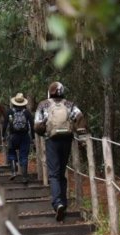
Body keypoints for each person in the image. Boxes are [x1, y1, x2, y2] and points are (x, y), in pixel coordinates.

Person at [34, 81, 87, 221]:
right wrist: (81, 137)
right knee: (62, 172)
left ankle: (58, 203)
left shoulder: (43, 105)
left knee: (53, 174)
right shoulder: (69, 104)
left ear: (49, 92)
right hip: (67, 140)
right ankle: (63, 202)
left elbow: (37, 126)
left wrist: (44, 130)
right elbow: (80, 117)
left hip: (52, 141)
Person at [2, 93, 35, 184]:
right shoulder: (27, 112)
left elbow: (5, 124)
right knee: (24, 155)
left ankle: (13, 172)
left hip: (13, 136)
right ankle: (24, 177)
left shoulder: (9, 112)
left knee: (11, 152)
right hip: (24, 137)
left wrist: (3, 135)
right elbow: (32, 125)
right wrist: (33, 137)